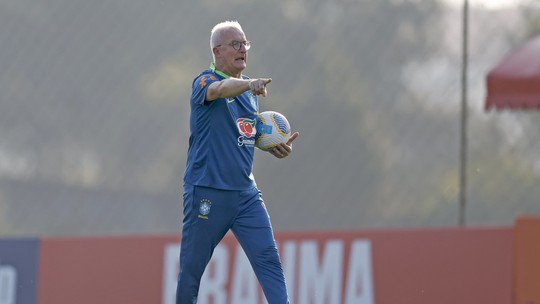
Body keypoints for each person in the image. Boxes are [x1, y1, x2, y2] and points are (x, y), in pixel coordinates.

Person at [176, 20, 298, 304]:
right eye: (235, 44)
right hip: (207, 192)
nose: (242, 49)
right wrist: (247, 85)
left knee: (268, 259)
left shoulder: (249, 96)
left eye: (245, 43)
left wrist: (272, 145)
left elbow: (245, 132)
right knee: (191, 272)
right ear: (217, 51)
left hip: (245, 196)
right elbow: (221, 90)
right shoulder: (204, 82)